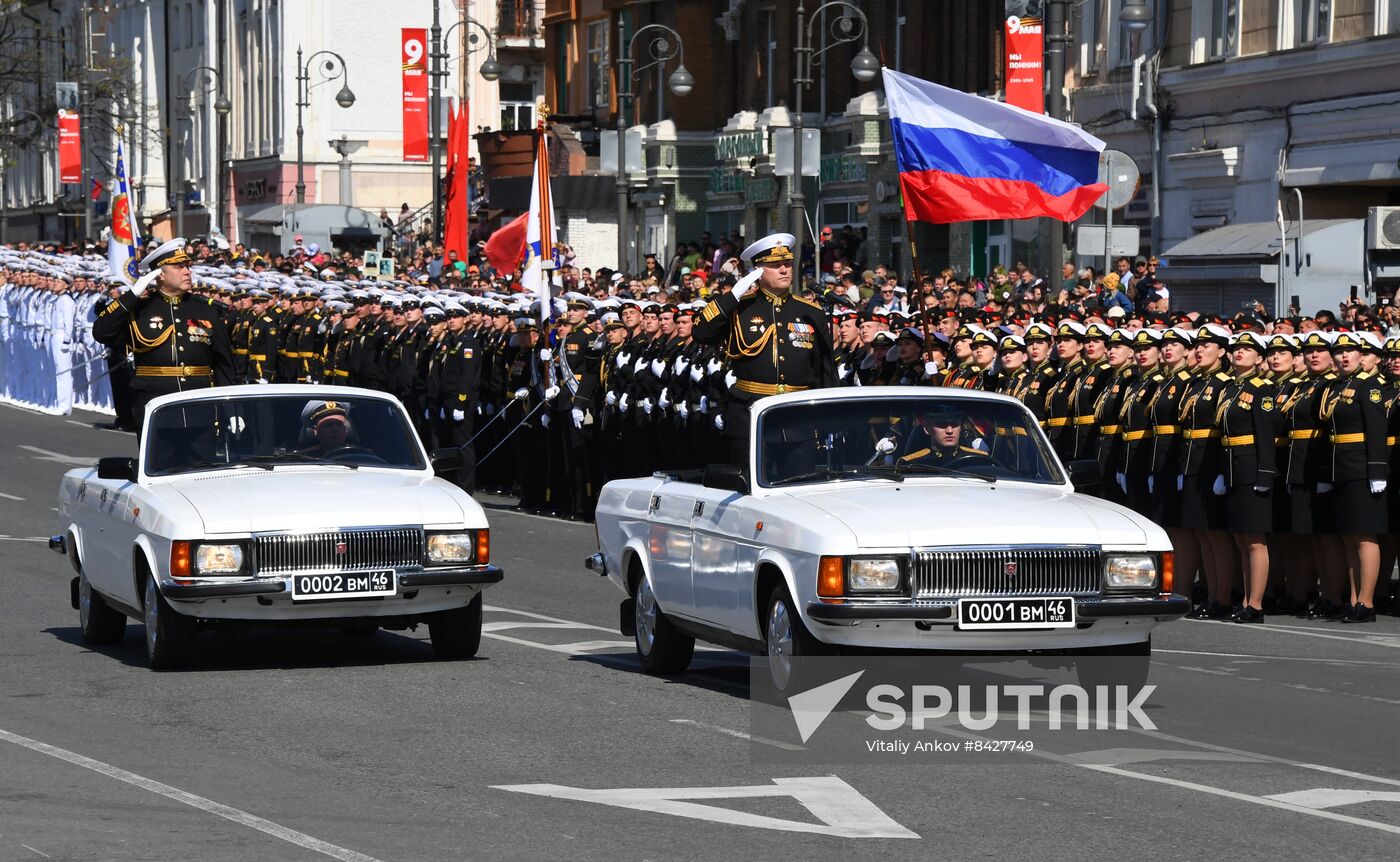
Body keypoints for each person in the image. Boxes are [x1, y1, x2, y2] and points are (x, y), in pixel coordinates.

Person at [692, 232, 836, 467]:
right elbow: (701, 333)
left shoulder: (811, 312)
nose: (784, 270)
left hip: (798, 419)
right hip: (750, 416)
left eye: (788, 264)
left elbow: (825, 371)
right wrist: (732, 297)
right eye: (775, 265)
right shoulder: (740, 308)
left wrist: (829, 421)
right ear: (758, 271)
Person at [91, 237, 236, 429]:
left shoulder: (205, 310)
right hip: (156, 408)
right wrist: (131, 296)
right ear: (159, 274)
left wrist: (232, 409)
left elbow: (223, 364)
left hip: (200, 407)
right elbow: (102, 332)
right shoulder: (139, 309)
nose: (187, 272)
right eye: (178, 267)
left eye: (187, 266)